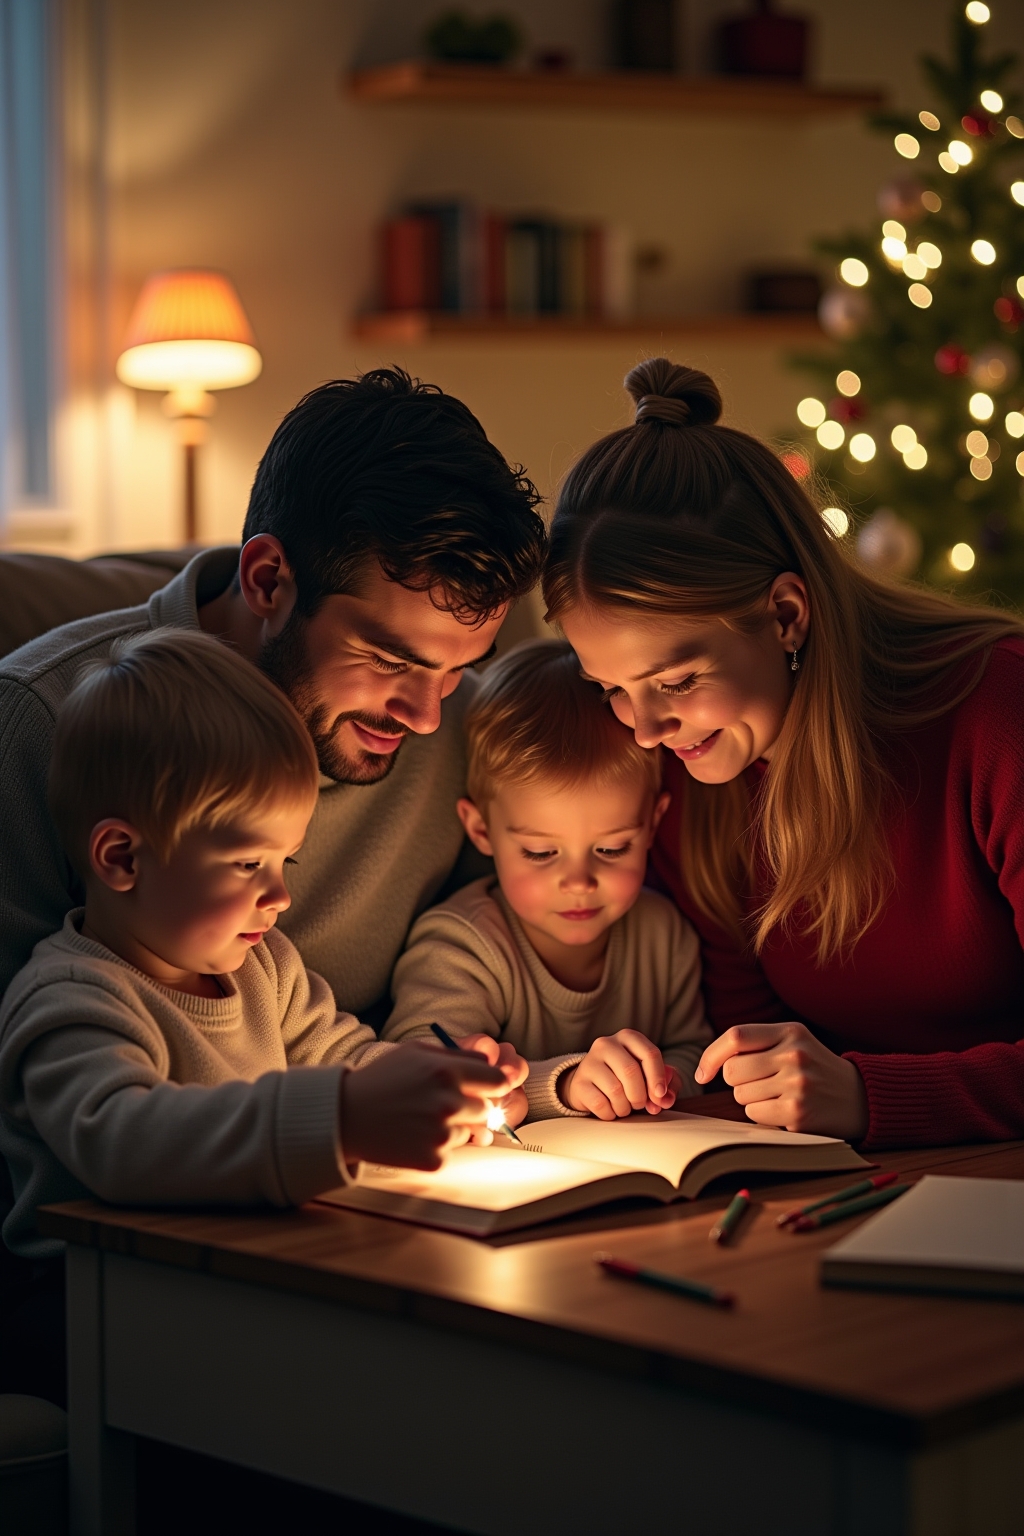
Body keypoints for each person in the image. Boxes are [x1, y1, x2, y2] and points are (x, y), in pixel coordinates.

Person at [0, 631, 523, 1398]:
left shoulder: (263, 966)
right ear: (121, 859)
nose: (279, 897)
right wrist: (342, 1120)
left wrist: (440, 1085)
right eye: (249, 865)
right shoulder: (71, 1000)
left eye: (287, 863)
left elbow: (342, 1052)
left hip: (232, 1273)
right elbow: (125, 1142)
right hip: (90, 1305)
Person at [542, 356, 1024, 1151]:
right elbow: (750, 1045)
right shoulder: (691, 776)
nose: (644, 728)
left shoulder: (995, 716)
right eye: (613, 689)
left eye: (676, 679)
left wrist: (874, 1096)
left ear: (787, 613)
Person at [0, 368, 546, 1016]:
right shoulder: (38, 722)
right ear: (266, 579)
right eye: (388, 659)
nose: (427, 717)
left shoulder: (471, 731)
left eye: (457, 668)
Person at [384, 639, 711, 1122]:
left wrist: (662, 1081)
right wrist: (564, 1085)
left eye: (611, 849)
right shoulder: (461, 946)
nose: (578, 882)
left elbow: (693, 1052)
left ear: (652, 824)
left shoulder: (664, 935)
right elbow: (419, 1066)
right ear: (481, 831)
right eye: (541, 853)